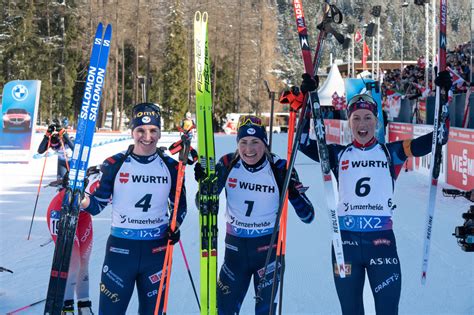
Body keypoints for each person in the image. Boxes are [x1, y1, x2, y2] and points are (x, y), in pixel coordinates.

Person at [297, 72, 451, 315]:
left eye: (368, 117)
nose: (362, 124)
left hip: (381, 244)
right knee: (351, 311)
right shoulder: (337, 154)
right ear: (349, 122)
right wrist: (308, 101)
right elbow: (303, 143)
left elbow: (439, 138)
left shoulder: (393, 153)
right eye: (356, 118)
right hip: (344, 244)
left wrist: (445, 98)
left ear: (376, 121)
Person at [194, 115, 315, 314]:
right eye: (243, 142)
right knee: (223, 310)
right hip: (235, 252)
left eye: (255, 142)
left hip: (268, 253)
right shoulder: (228, 163)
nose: (249, 149)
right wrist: (206, 186)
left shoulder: (279, 167)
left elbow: (308, 216)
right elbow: (202, 204)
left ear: (265, 143)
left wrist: (292, 192)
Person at [80, 103, 187, 315]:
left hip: (156, 251)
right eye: (141, 130)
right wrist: (79, 198)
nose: (147, 137)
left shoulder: (172, 167)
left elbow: (179, 207)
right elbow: (96, 205)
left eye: (153, 131)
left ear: (159, 133)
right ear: (132, 132)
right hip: (120, 251)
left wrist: (175, 226)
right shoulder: (114, 164)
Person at [46, 165, 102, 315]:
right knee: (73, 261)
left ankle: (84, 305)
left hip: (83, 215)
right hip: (61, 211)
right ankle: (66, 307)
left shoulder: (120, 182)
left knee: (84, 260)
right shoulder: (96, 179)